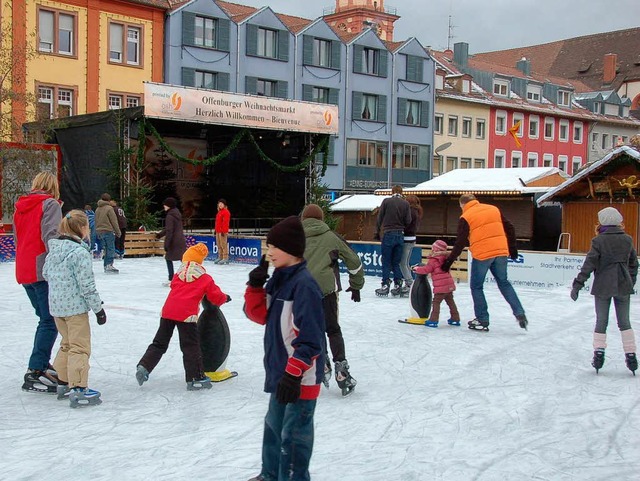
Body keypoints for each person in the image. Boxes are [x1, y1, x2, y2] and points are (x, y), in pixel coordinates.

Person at [243, 216, 325, 481]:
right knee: (274, 429)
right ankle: (269, 475)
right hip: (282, 371)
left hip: (300, 377)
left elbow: (312, 340)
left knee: (293, 438)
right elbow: (259, 315)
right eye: (268, 246)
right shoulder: (280, 278)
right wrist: (255, 287)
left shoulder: (304, 286)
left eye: (274, 247)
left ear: (291, 248)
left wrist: (293, 374)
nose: (269, 252)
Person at [136, 243, 231, 390]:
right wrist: (225, 298)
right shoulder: (205, 278)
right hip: (186, 316)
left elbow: (175, 288)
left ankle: (144, 366)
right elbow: (216, 296)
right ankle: (195, 378)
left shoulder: (177, 275)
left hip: (167, 312)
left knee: (159, 343)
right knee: (190, 347)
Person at [42, 210, 106, 407]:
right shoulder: (79, 253)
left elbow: (45, 273)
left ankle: (63, 381)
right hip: (75, 309)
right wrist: (98, 309)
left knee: (67, 344)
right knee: (79, 347)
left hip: (57, 308)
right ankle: (78, 388)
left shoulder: (54, 249)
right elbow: (87, 285)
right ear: (83, 228)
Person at [301, 203, 364, 396]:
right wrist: (356, 285)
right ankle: (341, 371)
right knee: (333, 329)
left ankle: (323, 364)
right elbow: (354, 261)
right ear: (321, 219)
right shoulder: (331, 237)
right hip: (327, 292)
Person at [442, 194, 527, 332]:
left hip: (482, 254)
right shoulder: (493, 209)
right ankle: (520, 313)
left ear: (462, 204)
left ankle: (482, 319)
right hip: (501, 252)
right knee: (504, 283)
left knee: (476, 286)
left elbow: (460, 243)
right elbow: (510, 227)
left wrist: (449, 261)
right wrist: (512, 249)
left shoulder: (466, 216)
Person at [570, 207, 638, 374]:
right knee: (625, 322)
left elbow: (589, 264)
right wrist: (630, 281)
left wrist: (578, 284)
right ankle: (631, 355)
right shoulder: (627, 239)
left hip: (602, 287)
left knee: (602, 321)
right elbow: (633, 265)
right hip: (623, 286)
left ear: (603, 221)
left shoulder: (598, 241)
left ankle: (599, 355)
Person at [13, 171, 63, 393]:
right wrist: (61, 259)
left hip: (24, 268)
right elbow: (50, 235)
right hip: (41, 269)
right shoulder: (50, 204)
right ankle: (35, 369)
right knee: (49, 320)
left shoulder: (21, 206)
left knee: (44, 318)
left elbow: (17, 237)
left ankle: (41, 363)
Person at [374, 185, 412, 297]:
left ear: (392, 191)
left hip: (388, 233)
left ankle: (385, 284)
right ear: (401, 192)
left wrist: (377, 232)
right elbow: (408, 220)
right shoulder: (405, 204)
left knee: (386, 261)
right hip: (400, 234)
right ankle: (398, 284)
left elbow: (379, 218)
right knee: (396, 262)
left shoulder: (386, 202)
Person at [413, 240, 460, 328]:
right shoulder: (446, 258)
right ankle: (455, 318)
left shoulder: (434, 260)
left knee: (436, 303)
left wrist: (417, 269)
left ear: (435, 250)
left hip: (441, 287)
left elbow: (427, 269)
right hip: (449, 285)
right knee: (451, 302)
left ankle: (433, 320)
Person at [156, 197, 187, 285]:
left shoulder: (170, 216)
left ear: (169, 206)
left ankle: (171, 279)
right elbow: (169, 228)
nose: (164, 206)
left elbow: (169, 231)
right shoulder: (176, 213)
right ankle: (188, 275)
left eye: (165, 204)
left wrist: (166, 244)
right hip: (180, 240)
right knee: (183, 259)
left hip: (173, 241)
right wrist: (160, 234)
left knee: (168, 258)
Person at [400, 195, 423, 293]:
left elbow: (407, 225)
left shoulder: (410, 212)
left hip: (407, 239)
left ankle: (409, 283)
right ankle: (409, 282)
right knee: (405, 262)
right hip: (412, 239)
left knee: (402, 263)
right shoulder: (417, 211)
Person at [95, 193, 121, 273]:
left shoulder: (97, 209)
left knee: (106, 248)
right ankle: (109, 265)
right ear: (109, 200)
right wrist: (118, 231)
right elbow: (114, 221)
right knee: (110, 248)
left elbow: (95, 220)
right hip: (107, 230)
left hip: (99, 231)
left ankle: (106, 265)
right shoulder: (109, 208)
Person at [214, 198, 231, 264]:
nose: (220, 205)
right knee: (219, 245)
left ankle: (225, 258)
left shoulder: (226, 212)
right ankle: (220, 257)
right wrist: (216, 230)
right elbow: (217, 222)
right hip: (218, 231)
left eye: (221, 204)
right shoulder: (219, 212)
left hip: (222, 231)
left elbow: (225, 223)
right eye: (219, 204)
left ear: (224, 205)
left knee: (223, 244)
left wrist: (224, 231)